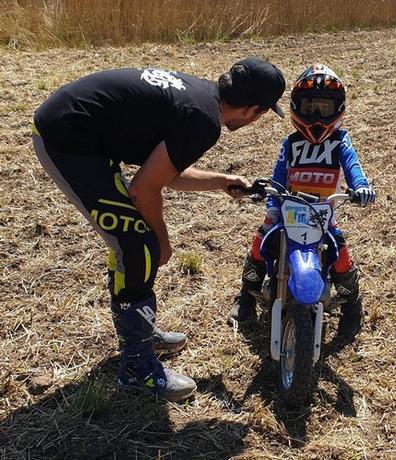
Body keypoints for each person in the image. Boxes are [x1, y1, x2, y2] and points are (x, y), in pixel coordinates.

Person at [32, 57, 286, 401]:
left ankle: (138, 333)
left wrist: (222, 181)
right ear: (253, 110)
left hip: (76, 130)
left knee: (135, 245)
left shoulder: (200, 96)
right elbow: (144, 189)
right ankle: (137, 367)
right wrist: (162, 243)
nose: (256, 120)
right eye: (261, 115)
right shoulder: (203, 120)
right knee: (139, 247)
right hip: (67, 141)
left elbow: (162, 173)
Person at [229, 63, 376, 344]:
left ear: (339, 107)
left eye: (324, 107)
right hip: (288, 210)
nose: (317, 116)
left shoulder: (341, 141)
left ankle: (351, 304)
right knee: (261, 245)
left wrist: (360, 187)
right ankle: (247, 296)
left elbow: (353, 167)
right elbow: (278, 175)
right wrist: (270, 202)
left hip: (323, 213)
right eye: (310, 107)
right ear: (297, 108)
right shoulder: (291, 143)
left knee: (340, 253)